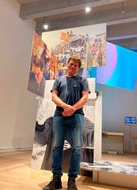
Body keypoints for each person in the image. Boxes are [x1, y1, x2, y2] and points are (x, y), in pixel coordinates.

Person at [43, 57, 90, 190]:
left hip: (77, 116)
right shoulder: (58, 80)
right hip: (59, 116)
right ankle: (56, 180)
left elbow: (85, 97)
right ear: (67, 65)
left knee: (76, 148)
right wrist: (65, 107)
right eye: (71, 64)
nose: (73, 66)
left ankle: (72, 180)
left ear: (78, 67)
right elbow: (54, 96)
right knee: (57, 146)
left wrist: (72, 109)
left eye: (75, 65)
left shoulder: (83, 80)